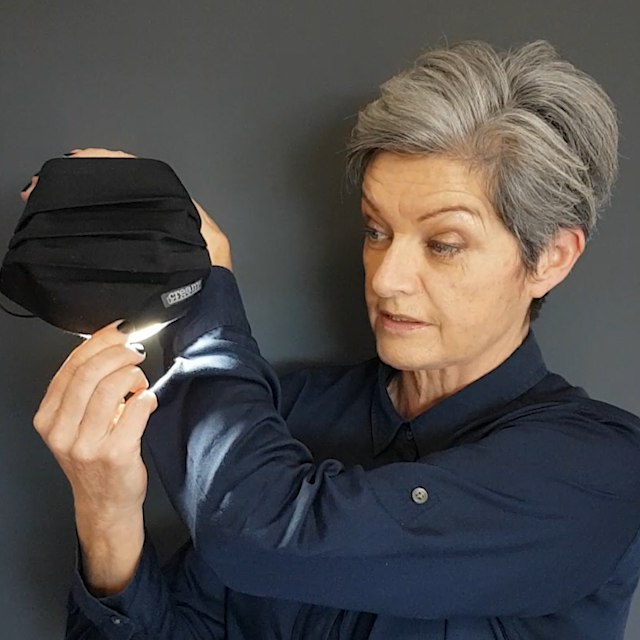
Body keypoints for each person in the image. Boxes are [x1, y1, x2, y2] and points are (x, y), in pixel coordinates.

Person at [26, 40, 640, 640]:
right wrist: (106, 519)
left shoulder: (597, 472)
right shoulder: (283, 412)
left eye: (443, 244)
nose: (387, 279)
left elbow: (260, 532)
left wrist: (200, 284)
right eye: (376, 230)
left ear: (551, 257)